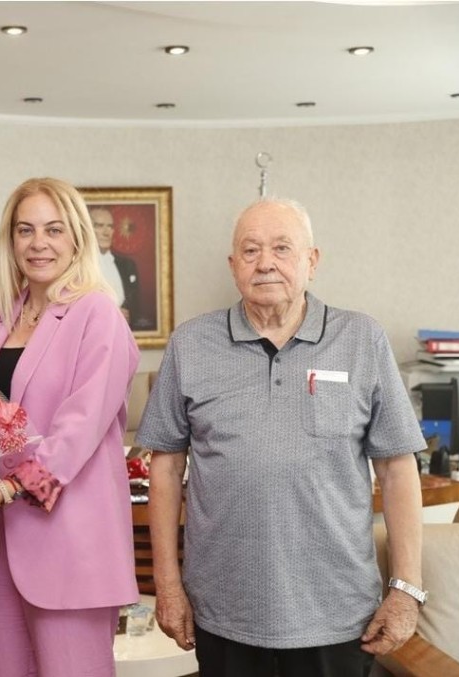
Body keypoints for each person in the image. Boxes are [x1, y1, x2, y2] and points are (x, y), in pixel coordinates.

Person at [138, 197, 425, 677]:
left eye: (282, 248)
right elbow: (165, 468)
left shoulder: (361, 339)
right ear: (233, 265)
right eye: (250, 250)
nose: (265, 262)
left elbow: (398, 469)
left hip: (338, 613)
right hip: (223, 611)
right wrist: (167, 584)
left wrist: (406, 589)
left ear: (312, 260)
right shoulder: (191, 344)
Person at [0, 178, 140, 676]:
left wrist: (8, 488)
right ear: (11, 239)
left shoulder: (98, 313)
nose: (38, 243)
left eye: (53, 229)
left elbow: (79, 429)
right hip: (0, 543)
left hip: (70, 542)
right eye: (25, 230)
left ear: (77, 237)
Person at [90, 206, 141, 328]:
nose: (106, 232)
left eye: (110, 226)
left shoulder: (128, 265)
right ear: (87, 229)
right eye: (99, 226)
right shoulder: (76, 266)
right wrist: (111, 315)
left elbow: (136, 306)